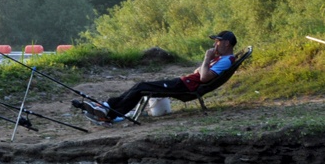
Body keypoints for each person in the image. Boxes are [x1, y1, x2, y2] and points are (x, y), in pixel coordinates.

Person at [72, 30, 238, 122]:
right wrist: (205, 64)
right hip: (185, 83)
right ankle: (108, 108)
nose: (214, 44)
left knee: (142, 86)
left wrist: (206, 59)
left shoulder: (226, 60)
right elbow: (199, 72)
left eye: (217, 41)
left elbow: (203, 78)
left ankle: (111, 111)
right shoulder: (220, 58)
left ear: (226, 43)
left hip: (187, 87)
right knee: (140, 88)